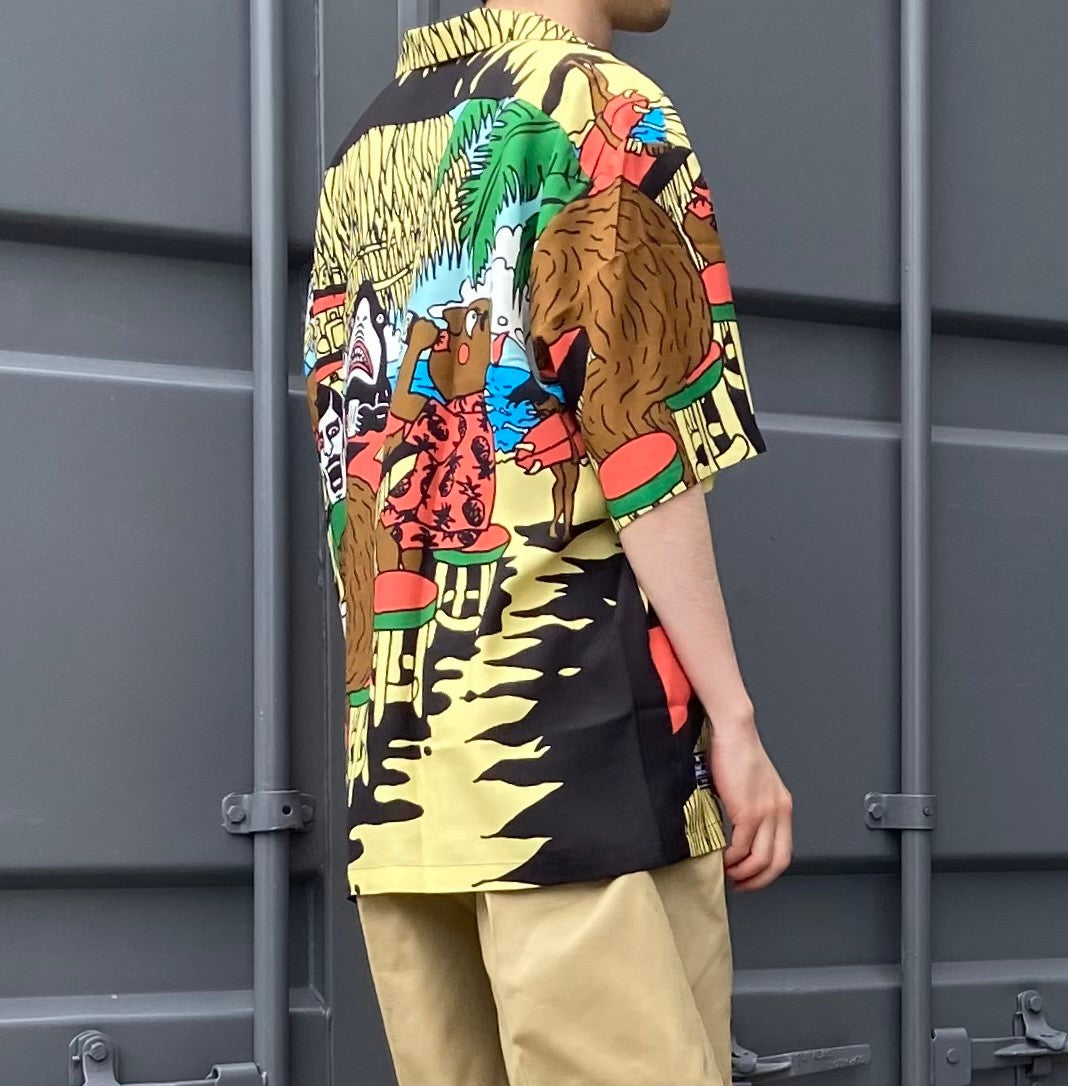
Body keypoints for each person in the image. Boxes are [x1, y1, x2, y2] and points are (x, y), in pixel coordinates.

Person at [301, 1, 792, 1082]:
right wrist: (735, 719)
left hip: (403, 790)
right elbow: (642, 442)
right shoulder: (604, 108)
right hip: (580, 768)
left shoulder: (369, 141)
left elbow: (349, 443)